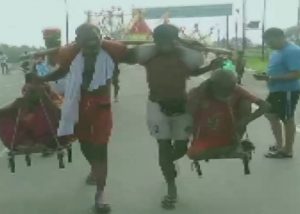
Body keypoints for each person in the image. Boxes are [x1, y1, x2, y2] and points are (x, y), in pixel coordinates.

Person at [124, 24, 223, 209]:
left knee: (180, 149)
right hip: (156, 106)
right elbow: (125, 56)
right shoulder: (148, 56)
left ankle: (167, 167)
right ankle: (171, 185)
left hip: (182, 107)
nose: (164, 45)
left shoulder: (184, 56)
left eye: (168, 40)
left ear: (174, 40)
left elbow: (192, 72)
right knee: (163, 146)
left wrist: (210, 66)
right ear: (155, 40)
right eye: (160, 41)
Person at [40, 24, 128, 213]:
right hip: (77, 106)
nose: (92, 43)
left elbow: (141, 56)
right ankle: (95, 170)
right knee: (86, 146)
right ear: (78, 42)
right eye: (87, 40)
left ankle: (101, 192)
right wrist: (41, 79)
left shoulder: (111, 52)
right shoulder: (71, 55)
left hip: (101, 108)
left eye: (95, 37)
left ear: (101, 38)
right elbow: (62, 71)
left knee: (100, 148)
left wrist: (175, 43)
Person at [187, 69, 269, 160]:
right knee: (193, 154)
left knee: (246, 102)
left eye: (230, 88)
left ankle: (232, 145)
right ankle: (227, 150)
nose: (228, 92)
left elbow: (265, 106)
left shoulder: (236, 90)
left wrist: (245, 121)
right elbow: (187, 114)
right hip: (205, 133)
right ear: (213, 85)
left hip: (229, 130)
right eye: (223, 89)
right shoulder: (198, 92)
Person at [254, 28, 300, 158]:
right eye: (267, 42)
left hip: (287, 91)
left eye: (271, 41)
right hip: (276, 90)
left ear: (281, 37)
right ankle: (279, 144)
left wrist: (271, 78)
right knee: (269, 114)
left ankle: (287, 150)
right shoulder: (276, 52)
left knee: (287, 118)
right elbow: (277, 70)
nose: (269, 44)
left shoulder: (293, 51)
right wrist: (266, 75)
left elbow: (296, 74)